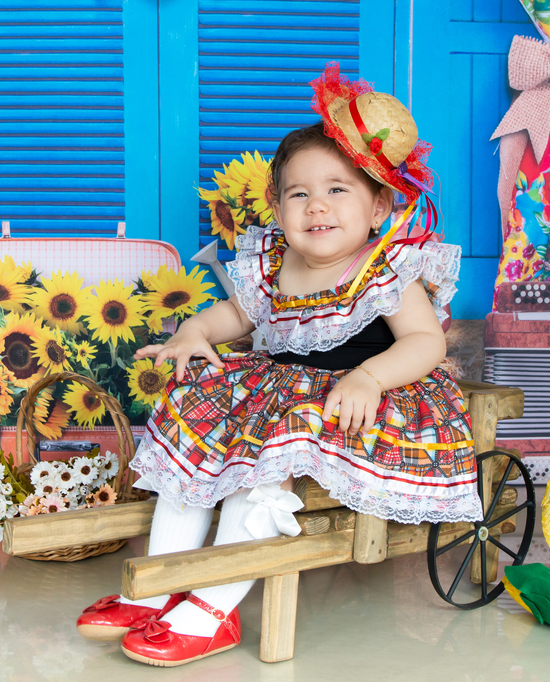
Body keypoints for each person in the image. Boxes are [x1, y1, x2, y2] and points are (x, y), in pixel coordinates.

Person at [77, 63, 480, 667]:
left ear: (378, 207)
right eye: (299, 194)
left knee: (260, 466)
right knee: (197, 435)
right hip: (278, 392)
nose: (317, 206)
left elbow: (427, 343)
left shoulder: (387, 268)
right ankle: (160, 582)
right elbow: (236, 315)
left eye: (338, 189)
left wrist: (369, 376)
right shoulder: (273, 262)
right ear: (278, 206)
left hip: (360, 400)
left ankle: (214, 607)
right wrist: (194, 330)